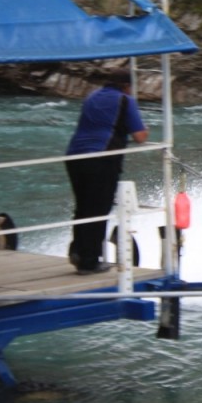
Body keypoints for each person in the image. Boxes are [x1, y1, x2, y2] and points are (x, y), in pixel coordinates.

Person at [65, 69, 148, 274]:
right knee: (98, 209)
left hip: (75, 156)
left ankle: (78, 250)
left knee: (83, 207)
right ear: (126, 86)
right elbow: (140, 136)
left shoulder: (92, 96)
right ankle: (90, 261)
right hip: (102, 157)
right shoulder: (125, 100)